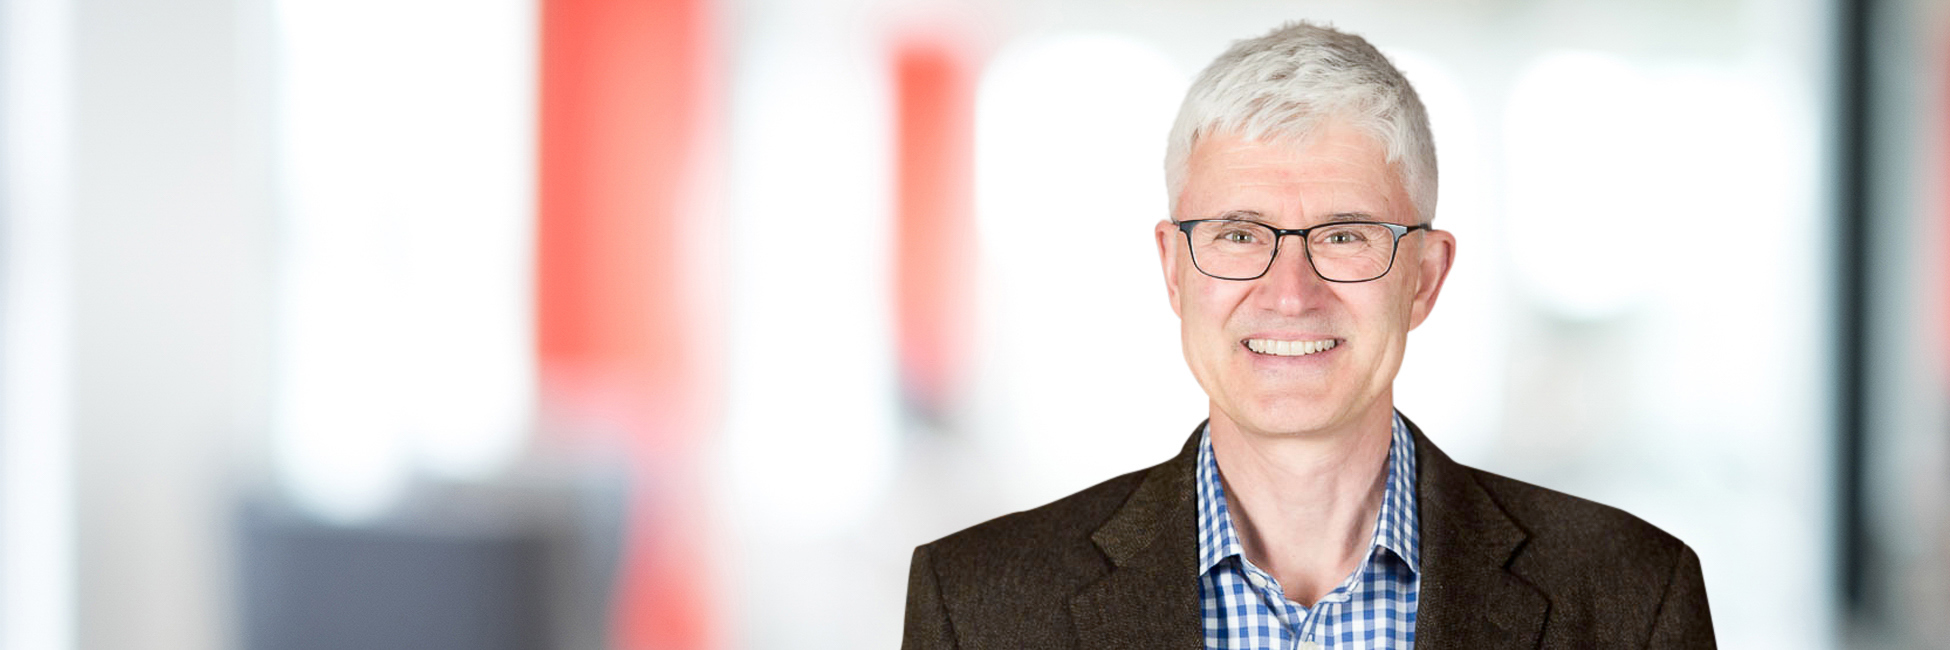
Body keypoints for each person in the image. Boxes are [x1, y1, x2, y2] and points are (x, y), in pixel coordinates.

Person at [901, 21, 1715, 650]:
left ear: (1425, 277)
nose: (1290, 295)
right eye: (1238, 234)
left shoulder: (1631, 594)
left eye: (1345, 235)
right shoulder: (979, 605)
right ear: (1174, 270)